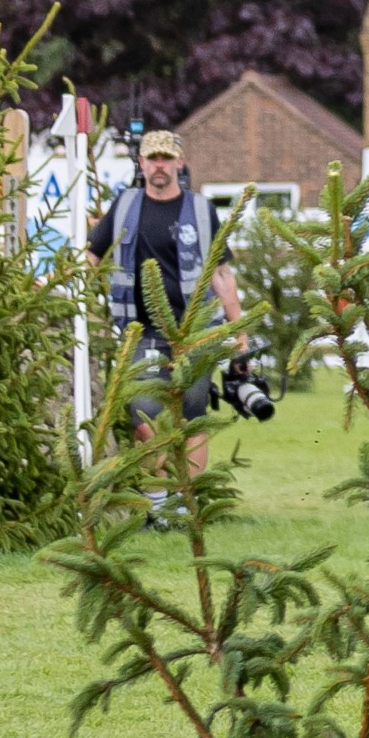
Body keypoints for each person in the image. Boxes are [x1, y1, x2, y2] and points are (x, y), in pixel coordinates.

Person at [88, 127, 242, 516]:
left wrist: (238, 331)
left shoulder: (201, 210)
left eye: (166, 159)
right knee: (140, 414)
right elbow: (91, 256)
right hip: (139, 332)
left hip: (194, 332)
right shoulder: (124, 205)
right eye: (152, 159)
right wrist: (58, 283)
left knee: (192, 418)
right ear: (141, 164)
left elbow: (222, 274)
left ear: (179, 162)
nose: (159, 166)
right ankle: (157, 501)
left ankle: (183, 506)